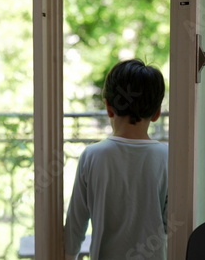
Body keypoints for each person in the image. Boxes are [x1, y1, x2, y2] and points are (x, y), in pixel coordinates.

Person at [64, 59, 168, 260]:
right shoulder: (167, 158)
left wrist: (69, 255)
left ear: (109, 107)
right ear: (156, 113)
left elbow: (75, 227)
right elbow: (170, 225)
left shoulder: (92, 156)